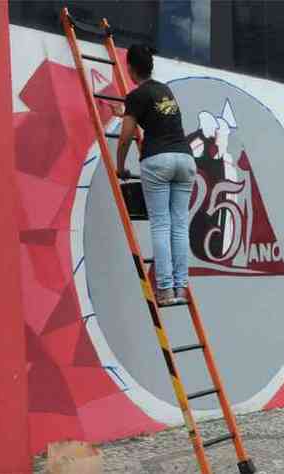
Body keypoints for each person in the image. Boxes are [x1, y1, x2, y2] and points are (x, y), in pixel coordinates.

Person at [114, 45, 197, 306]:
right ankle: (180, 288)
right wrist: (128, 114)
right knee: (179, 225)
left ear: (129, 69)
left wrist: (120, 166)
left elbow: (126, 137)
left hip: (158, 161)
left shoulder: (136, 95)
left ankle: (164, 289)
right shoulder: (164, 90)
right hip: (184, 159)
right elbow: (156, 118)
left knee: (161, 225)